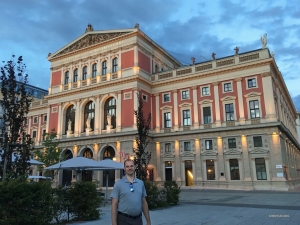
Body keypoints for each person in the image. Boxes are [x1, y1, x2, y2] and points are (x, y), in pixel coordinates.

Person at [111, 159, 151, 225]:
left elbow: (144, 202)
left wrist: (148, 221)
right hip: (123, 220)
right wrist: (114, 223)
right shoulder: (118, 184)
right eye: (127, 166)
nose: (130, 168)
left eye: (131, 166)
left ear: (135, 167)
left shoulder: (140, 183)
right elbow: (114, 204)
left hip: (138, 220)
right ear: (124, 168)